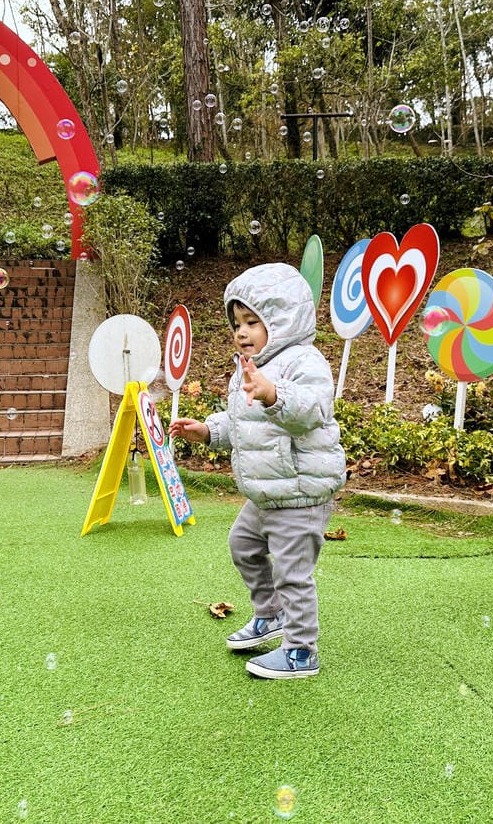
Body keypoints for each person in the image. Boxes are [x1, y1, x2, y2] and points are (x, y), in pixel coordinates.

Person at [169, 263, 345, 679]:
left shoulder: (304, 361)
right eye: (237, 323)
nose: (241, 332)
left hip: (300, 492)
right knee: (243, 546)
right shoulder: (250, 366)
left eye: (252, 321)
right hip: (266, 493)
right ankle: (271, 614)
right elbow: (244, 421)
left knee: (292, 574)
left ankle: (301, 651)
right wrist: (208, 431)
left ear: (281, 320)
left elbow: (313, 409)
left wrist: (273, 393)